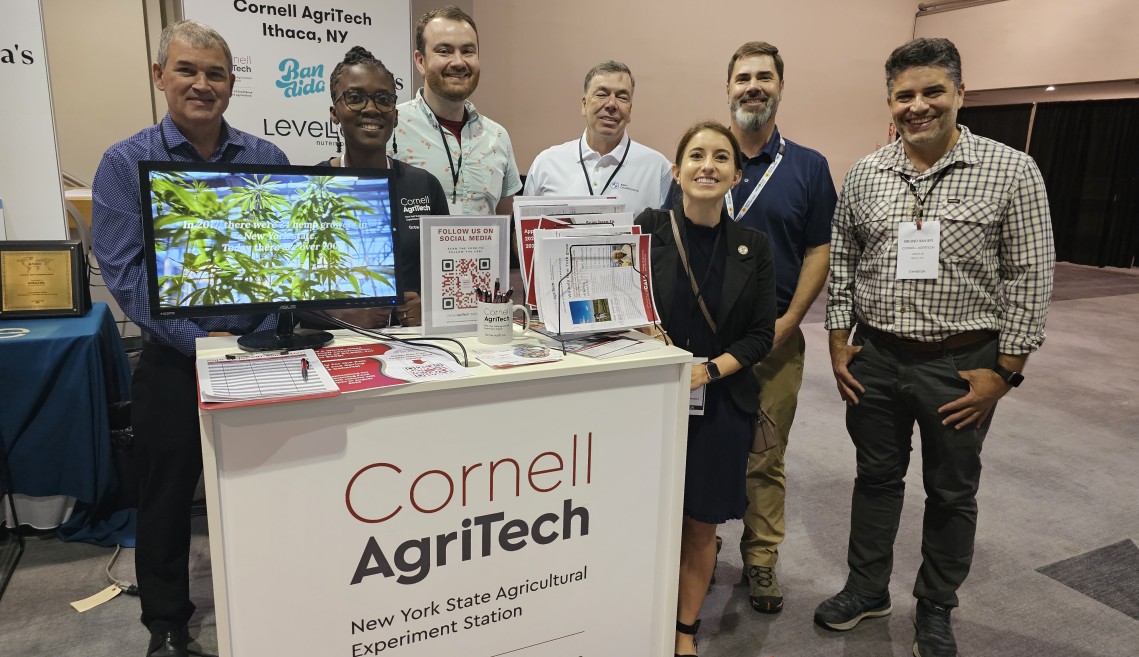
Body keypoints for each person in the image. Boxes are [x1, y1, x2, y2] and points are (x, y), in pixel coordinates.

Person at [817, 38, 1055, 657]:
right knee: (876, 479)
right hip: (876, 358)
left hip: (962, 363)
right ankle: (868, 589)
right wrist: (839, 341)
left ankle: (936, 608)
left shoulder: (1012, 170)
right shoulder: (868, 172)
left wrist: (1007, 372)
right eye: (905, 95)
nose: (917, 106)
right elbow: (843, 260)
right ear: (890, 101)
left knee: (952, 492)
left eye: (932, 92)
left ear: (960, 94)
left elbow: (1030, 276)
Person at [91, 20, 289, 657]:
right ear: (160, 77)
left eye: (216, 73)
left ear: (232, 84)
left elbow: (286, 263)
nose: (202, 84)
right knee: (167, 497)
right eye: (187, 70)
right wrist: (202, 340)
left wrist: (250, 332)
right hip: (174, 359)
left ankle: (272, 601)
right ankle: (168, 625)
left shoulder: (267, 160)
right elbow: (124, 272)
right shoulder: (125, 163)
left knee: (268, 482)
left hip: (258, 350)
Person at [662, 41, 836, 613]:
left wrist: (788, 321)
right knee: (696, 449)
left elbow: (819, 250)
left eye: (764, 77)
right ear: (729, 87)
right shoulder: (704, 157)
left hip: (775, 337)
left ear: (780, 87)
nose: (753, 86)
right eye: (743, 78)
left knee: (764, 452)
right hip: (701, 345)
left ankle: (761, 560)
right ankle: (698, 551)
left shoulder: (808, 167)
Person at [636, 121, 775, 657]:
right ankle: (637, 614)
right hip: (652, 403)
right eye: (696, 155)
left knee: (699, 525)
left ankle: (684, 631)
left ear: (736, 175)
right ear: (676, 170)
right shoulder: (646, 229)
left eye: (721, 157)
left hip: (719, 405)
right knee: (645, 517)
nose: (708, 165)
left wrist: (709, 370)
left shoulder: (753, 247)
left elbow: (762, 334)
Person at [317, 46, 449, 328]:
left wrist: (431, 306)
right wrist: (342, 316)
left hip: (417, 345)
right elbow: (287, 296)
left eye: (383, 99)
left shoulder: (424, 185)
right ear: (334, 113)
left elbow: (446, 277)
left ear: (396, 114)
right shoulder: (310, 186)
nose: (371, 109)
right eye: (354, 98)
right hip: (333, 348)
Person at [390, 6, 521, 216]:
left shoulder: (497, 137)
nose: (459, 62)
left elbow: (507, 225)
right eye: (444, 51)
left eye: (468, 51)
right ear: (420, 61)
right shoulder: (391, 128)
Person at [523, 60, 671, 215]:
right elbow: (522, 232)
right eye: (601, 94)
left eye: (622, 97)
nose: (611, 104)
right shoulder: (547, 163)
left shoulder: (657, 168)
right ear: (584, 104)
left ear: (630, 110)